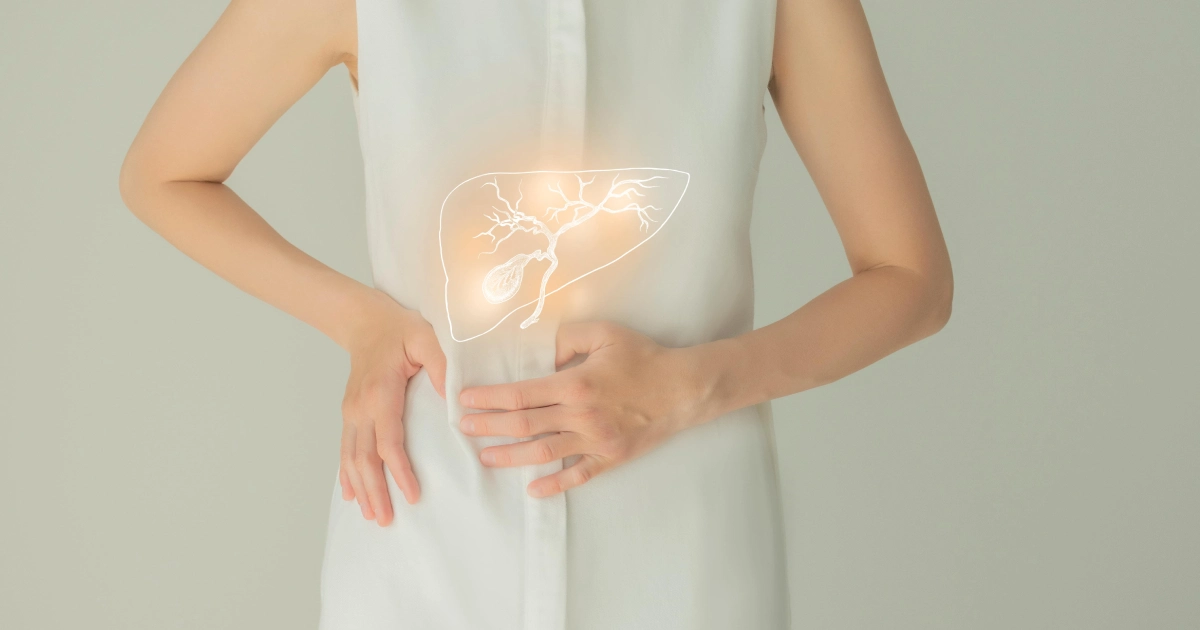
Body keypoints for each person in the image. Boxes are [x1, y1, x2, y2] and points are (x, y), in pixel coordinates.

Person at [118, 0, 953, 628]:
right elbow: (163, 171)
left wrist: (691, 384)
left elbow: (910, 278)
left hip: (685, 557)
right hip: (425, 548)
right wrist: (358, 320)